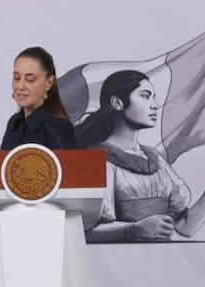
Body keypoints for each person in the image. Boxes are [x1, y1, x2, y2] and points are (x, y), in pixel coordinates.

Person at [75, 69, 205, 242]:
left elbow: (184, 226)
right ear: (117, 103)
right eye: (145, 96)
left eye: (153, 97)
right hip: (111, 263)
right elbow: (81, 232)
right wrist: (132, 230)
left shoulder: (155, 158)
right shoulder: (90, 160)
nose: (154, 104)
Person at [0, 46, 76, 150]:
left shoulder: (59, 127)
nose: (20, 86)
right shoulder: (14, 123)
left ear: (49, 83)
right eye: (17, 78)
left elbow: (66, 166)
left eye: (30, 79)